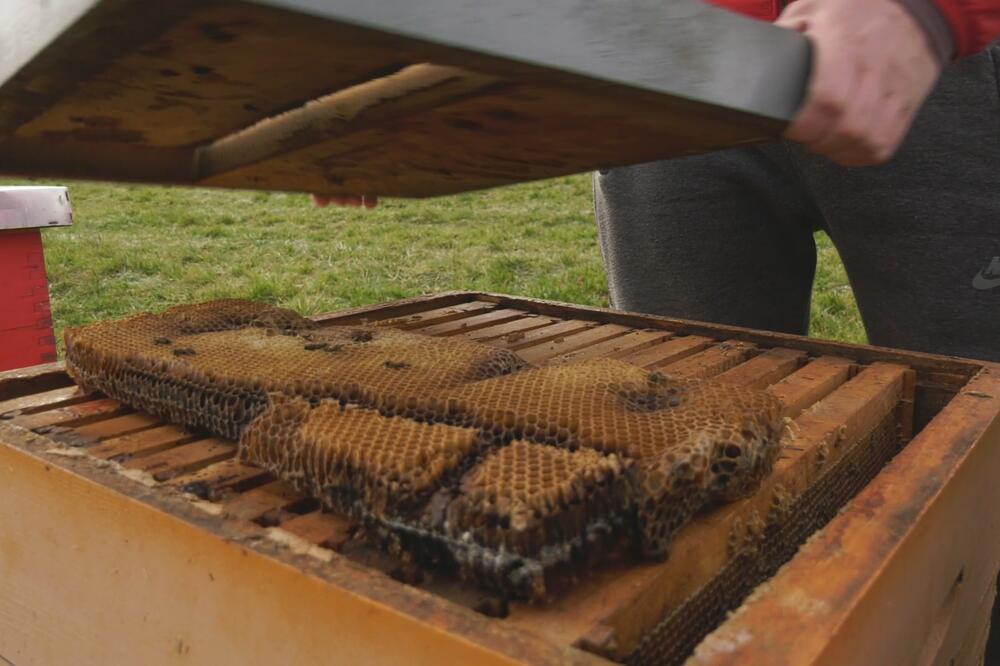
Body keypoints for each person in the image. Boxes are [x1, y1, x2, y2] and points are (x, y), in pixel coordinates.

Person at [594, 0, 1000, 363]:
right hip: (668, 60)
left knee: (977, 401)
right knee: (674, 394)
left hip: (927, 52)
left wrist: (935, 11)